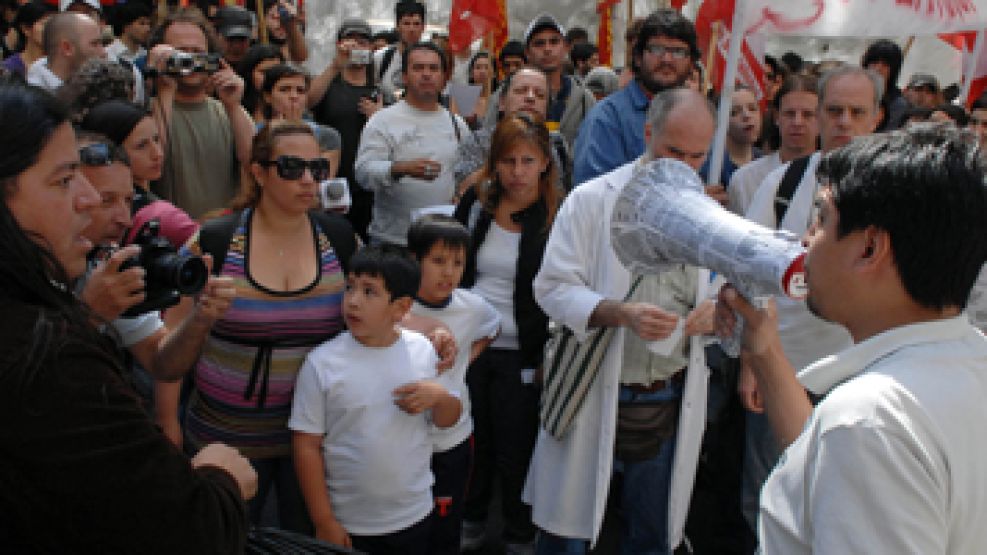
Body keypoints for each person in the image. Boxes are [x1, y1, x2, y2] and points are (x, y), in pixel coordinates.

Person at [0, 79, 255, 552]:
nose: (90, 202)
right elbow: (185, 529)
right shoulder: (48, 358)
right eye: (62, 180)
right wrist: (220, 479)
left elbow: (162, 359)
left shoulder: (109, 264)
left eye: (127, 199)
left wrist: (198, 318)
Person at [717, 123, 987, 553]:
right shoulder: (969, 359)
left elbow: (856, 443)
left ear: (869, 248)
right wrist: (765, 350)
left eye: (821, 219)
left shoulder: (869, 422)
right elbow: (829, 466)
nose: (804, 241)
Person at [525, 88, 717, 555]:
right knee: (566, 533)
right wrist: (620, 312)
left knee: (651, 534)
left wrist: (717, 308)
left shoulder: (711, 214)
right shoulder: (592, 200)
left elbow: (732, 289)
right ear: (648, 134)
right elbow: (551, 288)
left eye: (698, 156)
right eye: (674, 151)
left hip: (667, 397)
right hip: (592, 388)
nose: (685, 167)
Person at [152, 121, 353, 533]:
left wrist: (435, 335)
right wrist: (167, 423)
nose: (307, 180)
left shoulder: (340, 239)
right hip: (225, 442)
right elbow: (165, 361)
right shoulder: (214, 242)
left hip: (313, 444)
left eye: (317, 168)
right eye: (292, 167)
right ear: (258, 173)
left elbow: (380, 311)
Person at [737, 65, 881, 537]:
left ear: (877, 117)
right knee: (772, 498)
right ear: (819, 116)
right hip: (785, 370)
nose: (844, 122)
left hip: (865, 378)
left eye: (856, 112)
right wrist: (751, 363)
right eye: (834, 110)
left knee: (846, 508)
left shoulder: (901, 194)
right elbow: (749, 269)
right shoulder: (782, 185)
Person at [290, 245, 462, 554]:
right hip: (348, 522)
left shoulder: (422, 351)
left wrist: (439, 397)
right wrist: (324, 520)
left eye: (370, 292)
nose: (353, 301)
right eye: (350, 287)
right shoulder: (323, 363)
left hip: (413, 515)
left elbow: (450, 418)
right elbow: (306, 444)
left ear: (401, 307)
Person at [453, 113, 562, 553]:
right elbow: (454, 266)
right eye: (509, 161)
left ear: (544, 165)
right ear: (494, 164)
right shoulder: (477, 205)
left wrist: (544, 359)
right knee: (471, 441)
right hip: (473, 347)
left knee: (517, 451)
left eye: (527, 161)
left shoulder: (557, 216)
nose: (518, 172)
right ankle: (470, 520)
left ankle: (519, 532)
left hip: (524, 354)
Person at [406, 214, 501, 555]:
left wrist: (464, 360)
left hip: (451, 439)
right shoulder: (396, 307)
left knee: (445, 526)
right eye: (438, 261)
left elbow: (493, 327)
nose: (449, 272)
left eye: (458, 263)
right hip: (401, 439)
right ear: (414, 259)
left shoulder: (471, 307)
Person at [355, 41, 470, 247]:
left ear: (444, 78)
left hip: (440, 242)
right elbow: (363, 173)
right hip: (392, 242)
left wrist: (460, 194)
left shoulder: (457, 125)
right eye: (418, 68)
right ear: (405, 77)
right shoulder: (383, 120)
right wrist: (400, 169)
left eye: (433, 68)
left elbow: (467, 174)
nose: (426, 74)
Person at [146, 8, 254, 219]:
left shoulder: (226, 111)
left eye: (197, 52)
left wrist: (234, 105)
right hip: (170, 238)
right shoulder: (146, 111)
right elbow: (153, 159)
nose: (190, 61)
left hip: (221, 235)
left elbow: (255, 161)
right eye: (180, 53)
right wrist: (164, 88)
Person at [572, 9, 698, 185]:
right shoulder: (607, 119)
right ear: (638, 57)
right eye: (657, 49)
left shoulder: (701, 118)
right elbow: (595, 198)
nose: (667, 59)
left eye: (678, 51)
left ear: (691, 62)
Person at [309, 18, 383, 242]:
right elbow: (307, 102)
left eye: (363, 42)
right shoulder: (329, 83)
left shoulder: (379, 91)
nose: (357, 48)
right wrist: (336, 64)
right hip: (332, 182)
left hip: (368, 189)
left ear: (371, 49)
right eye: (351, 42)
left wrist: (378, 118)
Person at [454, 66, 570, 195]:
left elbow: (558, 196)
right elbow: (464, 189)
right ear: (502, 102)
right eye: (521, 91)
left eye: (540, 95)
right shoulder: (478, 141)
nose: (531, 98)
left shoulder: (554, 144)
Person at [729, 74, 818, 216]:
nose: (797, 122)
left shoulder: (832, 181)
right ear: (777, 117)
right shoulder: (744, 180)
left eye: (807, 114)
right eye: (790, 113)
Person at [258, 63, 341, 178]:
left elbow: (320, 180)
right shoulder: (254, 133)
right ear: (268, 96)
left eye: (300, 91)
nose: (293, 96)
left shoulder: (327, 135)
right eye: (284, 90)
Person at [699, 84, 763, 206]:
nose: (746, 115)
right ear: (719, 121)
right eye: (734, 112)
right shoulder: (708, 166)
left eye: (752, 108)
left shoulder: (764, 161)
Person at [26, 11, 103, 90]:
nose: (103, 52)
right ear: (67, 48)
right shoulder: (33, 99)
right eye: (94, 44)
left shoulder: (96, 86)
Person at [373, 0, 425, 100]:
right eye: (406, 23)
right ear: (397, 26)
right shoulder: (381, 58)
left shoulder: (433, 59)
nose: (411, 29)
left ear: (423, 27)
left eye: (416, 24)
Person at [861, 39, 908, 132]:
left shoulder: (897, 104)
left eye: (885, 64)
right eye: (874, 62)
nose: (878, 68)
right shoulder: (851, 92)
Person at [1, 1, 52, 76]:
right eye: (44, 24)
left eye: (54, 24)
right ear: (26, 29)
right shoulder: (8, 69)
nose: (52, 29)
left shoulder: (62, 66)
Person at [238, 43, 285, 122]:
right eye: (264, 72)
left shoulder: (293, 106)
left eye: (276, 71)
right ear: (249, 74)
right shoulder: (236, 106)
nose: (271, 77)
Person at [464, 50, 495, 129]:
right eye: (478, 67)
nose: (482, 71)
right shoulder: (462, 99)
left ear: (494, 74)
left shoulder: (499, 100)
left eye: (486, 67)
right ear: (471, 73)